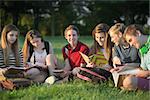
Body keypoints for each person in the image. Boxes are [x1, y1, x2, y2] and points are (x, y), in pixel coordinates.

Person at [122, 24, 150, 91]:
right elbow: (143, 68)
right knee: (127, 80)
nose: (131, 45)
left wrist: (146, 73)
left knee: (129, 82)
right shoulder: (143, 49)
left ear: (138, 33)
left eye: (130, 40)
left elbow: (146, 72)